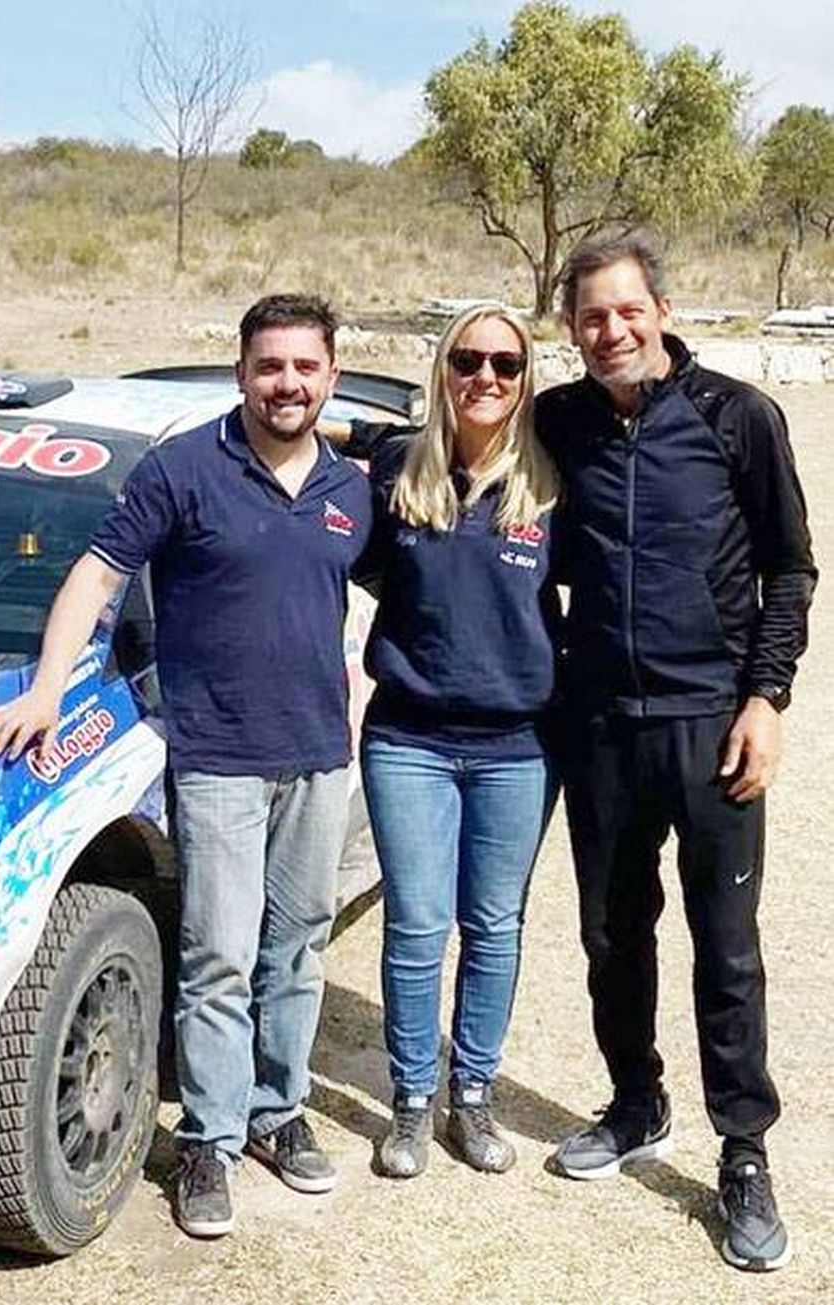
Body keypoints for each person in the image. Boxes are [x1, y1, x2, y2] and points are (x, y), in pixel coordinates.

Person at [0, 294, 371, 1238]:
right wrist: (47, 687)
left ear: (329, 375)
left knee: (298, 945)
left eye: (306, 368)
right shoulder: (185, 467)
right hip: (219, 758)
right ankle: (208, 1138)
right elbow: (96, 574)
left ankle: (279, 1112)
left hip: (318, 754)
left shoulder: (351, 490)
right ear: (242, 372)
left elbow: (416, 584)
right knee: (219, 956)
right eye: (270, 366)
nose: (288, 384)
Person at [539, 231, 816, 1273]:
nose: (610, 330)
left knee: (726, 946)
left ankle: (742, 1150)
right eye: (590, 317)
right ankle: (636, 1101)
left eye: (625, 309)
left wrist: (767, 698)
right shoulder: (558, 420)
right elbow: (462, 458)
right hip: (601, 723)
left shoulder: (738, 417)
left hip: (712, 723)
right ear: (571, 330)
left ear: (659, 308)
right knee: (613, 936)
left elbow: (789, 569)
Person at [336, 305, 559, 1178]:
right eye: (468, 359)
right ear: (443, 368)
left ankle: (474, 1094)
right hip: (411, 741)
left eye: (506, 363)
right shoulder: (400, 466)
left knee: (494, 926)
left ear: (526, 375)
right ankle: (410, 1101)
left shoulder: (551, 477)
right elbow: (329, 434)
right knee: (418, 926)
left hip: (519, 747)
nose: (486, 379)